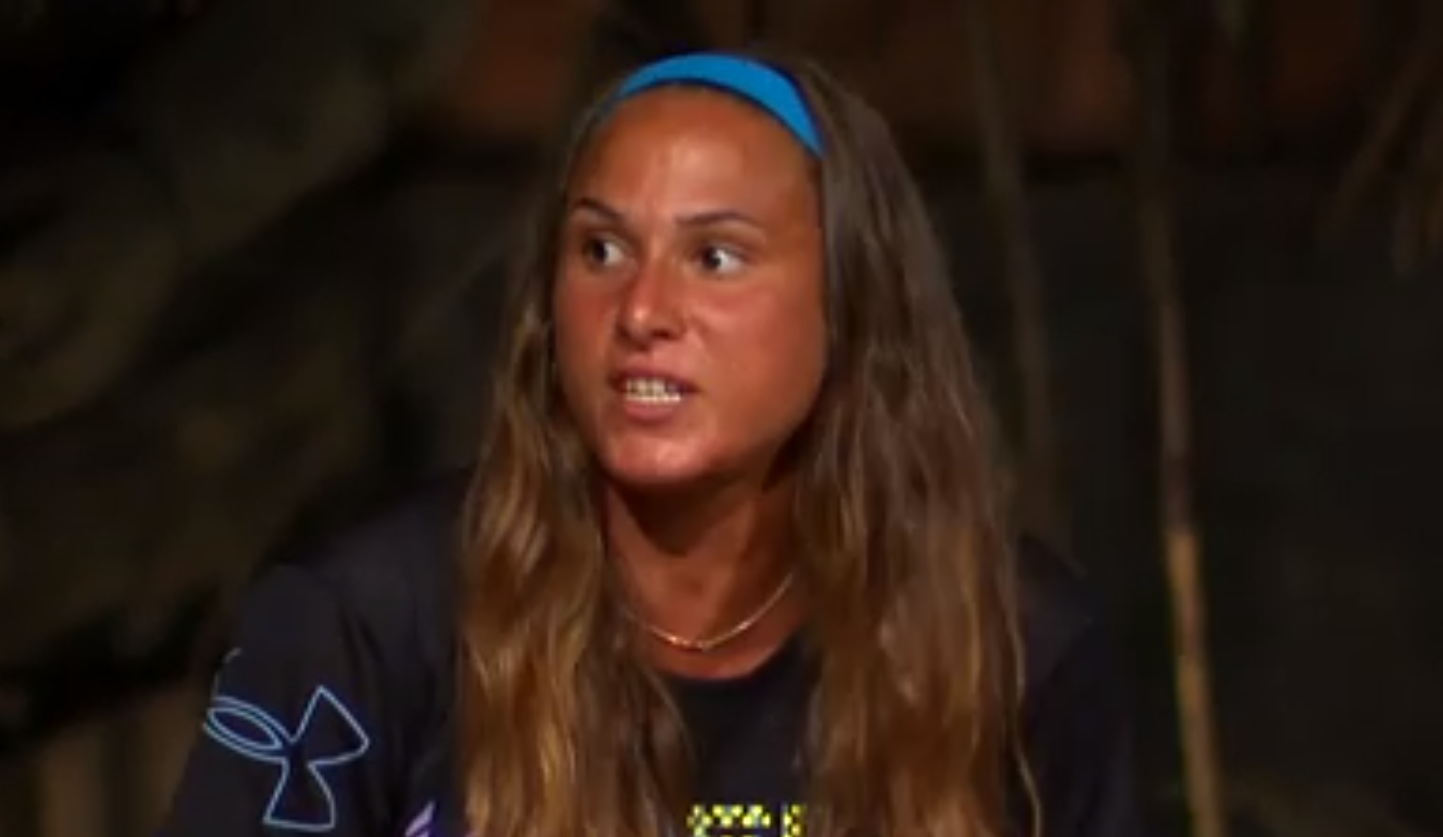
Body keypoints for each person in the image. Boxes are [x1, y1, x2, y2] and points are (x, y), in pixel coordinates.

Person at [157, 49, 1144, 837]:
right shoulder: (361, 627)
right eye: (601, 249)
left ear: (850, 304)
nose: (641, 310)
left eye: (714, 256)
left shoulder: (1011, 651)